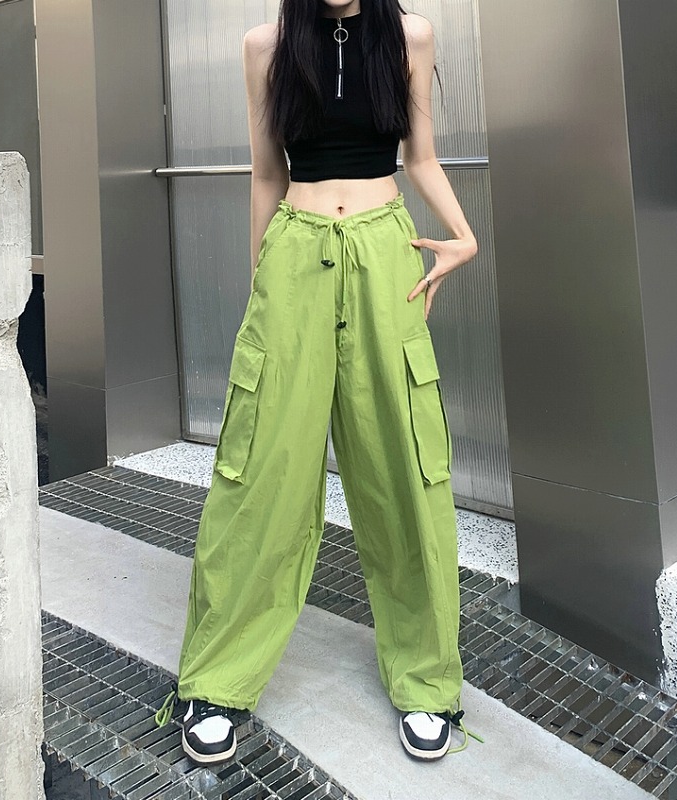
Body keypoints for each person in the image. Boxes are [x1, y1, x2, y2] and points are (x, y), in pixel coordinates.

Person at [156, 0, 478, 765]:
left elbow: (421, 158)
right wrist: (264, 284)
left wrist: (465, 237)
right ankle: (218, 679)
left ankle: (427, 681)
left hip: (385, 255)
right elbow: (268, 174)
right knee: (259, 471)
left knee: (403, 466)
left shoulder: (410, 35)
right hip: (294, 258)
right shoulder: (264, 46)